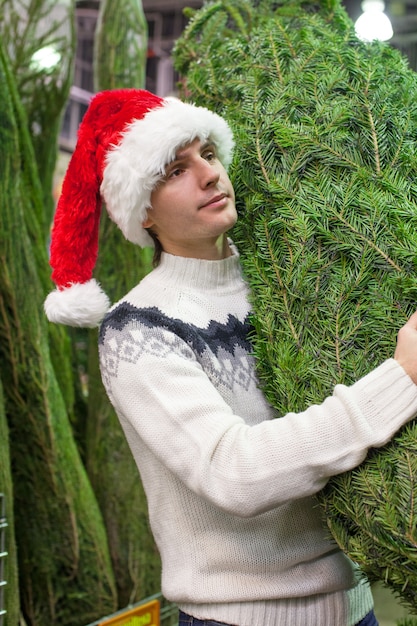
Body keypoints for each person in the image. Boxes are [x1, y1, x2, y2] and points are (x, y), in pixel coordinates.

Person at [44, 88, 417, 626]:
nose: (209, 175)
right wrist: (401, 379)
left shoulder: (282, 284)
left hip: (356, 606)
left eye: (209, 155)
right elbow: (234, 471)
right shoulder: (137, 330)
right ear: (142, 212)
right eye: (175, 170)